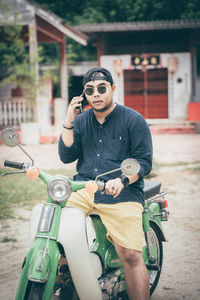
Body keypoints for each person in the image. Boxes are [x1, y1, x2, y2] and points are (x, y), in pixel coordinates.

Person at [58, 67, 152, 300]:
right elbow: (67, 156)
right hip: (83, 187)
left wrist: (122, 180)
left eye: (101, 88)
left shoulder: (134, 120)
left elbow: (143, 161)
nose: (96, 94)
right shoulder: (80, 121)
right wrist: (69, 120)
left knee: (130, 254)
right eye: (90, 90)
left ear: (112, 89)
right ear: (84, 95)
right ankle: (64, 285)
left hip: (122, 191)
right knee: (56, 237)